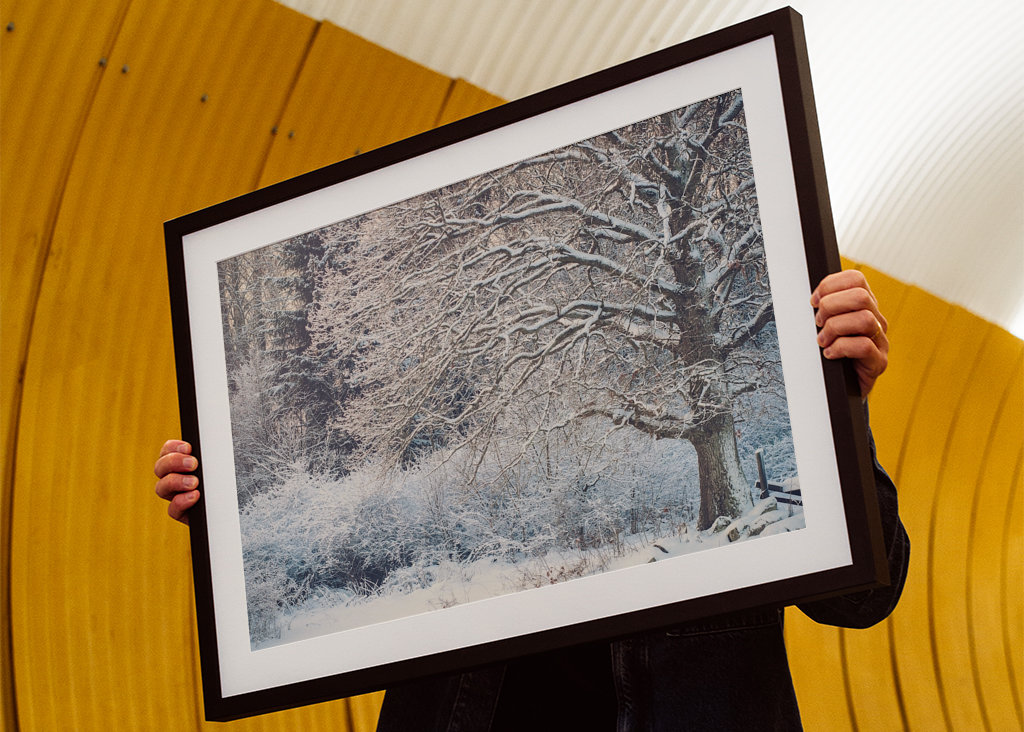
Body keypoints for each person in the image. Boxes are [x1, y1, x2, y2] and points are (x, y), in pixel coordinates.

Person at [154, 269, 909, 731]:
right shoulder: (468, 457)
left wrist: (840, 409)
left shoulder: (776, 327)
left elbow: (864, 597)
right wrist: (230, 519)